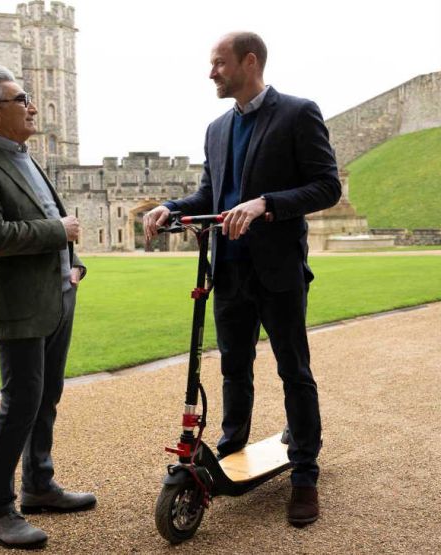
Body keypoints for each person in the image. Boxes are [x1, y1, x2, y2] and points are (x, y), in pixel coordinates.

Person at [143, 32, 341, 527]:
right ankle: (232, 454)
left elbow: (327, 186)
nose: (212, 72)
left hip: (278, 270)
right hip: (227, 271)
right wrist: (170, 207)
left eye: (219, 63)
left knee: (294, 370)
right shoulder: (215, 128)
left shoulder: (298, 113)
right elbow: (210, 195)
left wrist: (266, 205)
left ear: (249, 62)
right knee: (234, 369)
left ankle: (305, 475)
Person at [0, 65, 96, 550]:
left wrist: (73, 267)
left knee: (47, 396)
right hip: (17, 306)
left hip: (57, 296)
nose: (32, 106)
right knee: (19, 406)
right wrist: (60, 234)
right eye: (21, 99)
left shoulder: (25, 157)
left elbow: (53, 218)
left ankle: (39, 485)